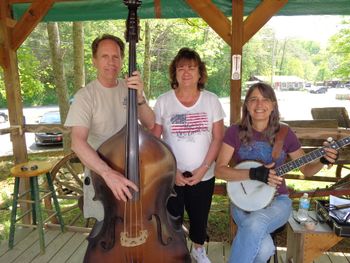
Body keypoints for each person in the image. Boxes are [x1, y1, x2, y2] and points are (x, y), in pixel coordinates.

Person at [214, 82, 339, 263]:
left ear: (273, 105)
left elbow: (306, 170)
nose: (259, 105)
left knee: (255, 225)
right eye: (254, 99)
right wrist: (253, 174)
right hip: (242, 202)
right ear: (247, 105)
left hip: (278, 201)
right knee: (264, 250)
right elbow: (220, 170)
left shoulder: (285, 133)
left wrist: (321, 160)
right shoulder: (235, 131)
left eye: (265, 100)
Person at [65, 34, 155, 221]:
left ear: (122, 60)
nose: (111, 62)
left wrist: (139, 97)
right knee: (106, 234)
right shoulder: (85, 96)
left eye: (115, 57)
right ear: (94, 61)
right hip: (101, 175)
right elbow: (77, 142)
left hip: (134, 171)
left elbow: (150, 123)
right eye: (104, 56)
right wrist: (108, 173)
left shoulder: (130, 87)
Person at [152, 47, 225, 263]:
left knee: (199, 217)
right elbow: (155, 141)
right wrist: (171, 172)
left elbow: (218, 138)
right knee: (171, 217)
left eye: (191, 68)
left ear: (200, 73)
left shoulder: (211, 101)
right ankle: (174, 252)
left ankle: (198, 250)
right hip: (171, 175)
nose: (186, 72)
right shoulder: (164, 101)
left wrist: (203, 169)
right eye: (181, 68)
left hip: (204, 173)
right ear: (174, 73)